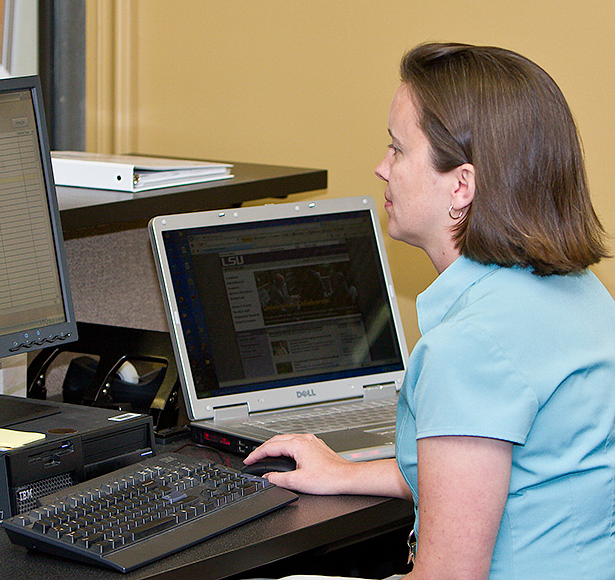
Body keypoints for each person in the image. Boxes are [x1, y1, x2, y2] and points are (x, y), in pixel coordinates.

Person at [243, 42, 615, 580]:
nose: (380, 167)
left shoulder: (470, 346)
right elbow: (502, 473)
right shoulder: (581, 292)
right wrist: (347, 473)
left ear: (461, 185)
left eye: (397, 149)